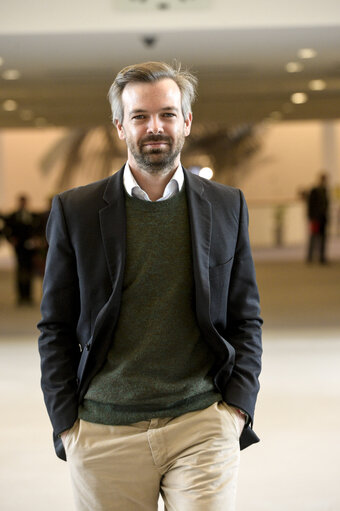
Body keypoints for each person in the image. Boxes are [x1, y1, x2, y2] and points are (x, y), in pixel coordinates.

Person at [38, 61, 262, 511]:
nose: (154, 127)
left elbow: (245, 316)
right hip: (104, 430)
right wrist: (67, 424)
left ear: (186, 122)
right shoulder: (76, 211)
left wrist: (237, 408)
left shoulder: (227, 206)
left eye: (167, 114)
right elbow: (55, 326)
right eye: (139, 116)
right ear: (121, 126)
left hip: (201, 422)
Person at [5, 194, 37, 305]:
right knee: (20, 270)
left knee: (29, 270)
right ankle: (21, 295)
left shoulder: (31, 215)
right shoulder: (14, 216)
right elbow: (6, 230)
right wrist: (11, 240)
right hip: (19, 248)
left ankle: (28, 295)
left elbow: (35, 229)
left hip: (30, 248)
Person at [306, 172, 329, 264]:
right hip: (315, 218)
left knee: (323, 238)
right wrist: (311, 217)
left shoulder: (324, 190)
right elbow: (310, 205)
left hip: (323, 218)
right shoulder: (314, 190)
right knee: (313, 237)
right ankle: (310, 257)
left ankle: (322, 257)